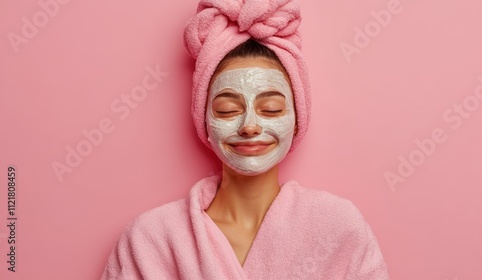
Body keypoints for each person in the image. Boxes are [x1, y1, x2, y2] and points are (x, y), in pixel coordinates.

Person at [101, 1, 389, 279]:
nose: (249, 126)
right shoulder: (151, 239)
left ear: (298, 117)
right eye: (228, 110)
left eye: (271, 109)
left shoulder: (338, 228)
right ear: (205, 121)